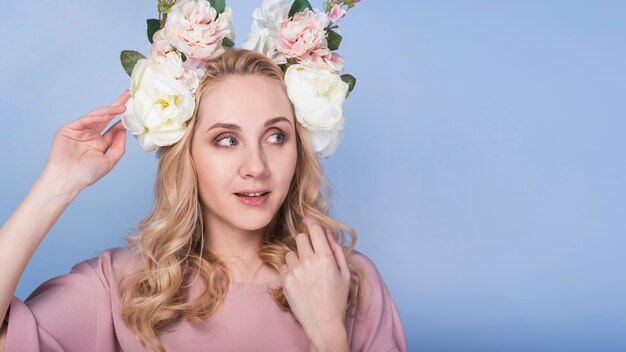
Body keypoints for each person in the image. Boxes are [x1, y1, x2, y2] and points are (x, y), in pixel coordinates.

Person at [0, 48, 406, 351]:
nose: (256, 166)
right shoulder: (119, 285)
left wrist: (329, 334)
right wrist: (58, 183)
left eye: (276, 136)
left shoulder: (349, 281)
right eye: (227, 140)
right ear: (187, 155)